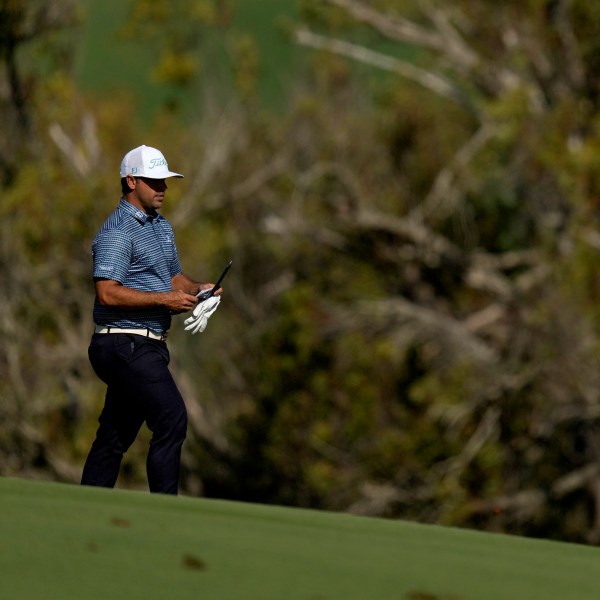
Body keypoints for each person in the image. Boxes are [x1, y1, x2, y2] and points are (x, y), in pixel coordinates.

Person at [81, 144, 220, 495]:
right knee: (172, 418)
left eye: (165, 181)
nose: (163, 188)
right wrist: (165, 300)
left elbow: (173, 279)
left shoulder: (161, 228)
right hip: (121, 342)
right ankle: (165, 512)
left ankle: (84, 506)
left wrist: (198, 289)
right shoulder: (117, 230)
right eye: (154, 181)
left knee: (115, 435)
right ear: (130, 181)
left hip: (145, 344)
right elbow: (107, 293)